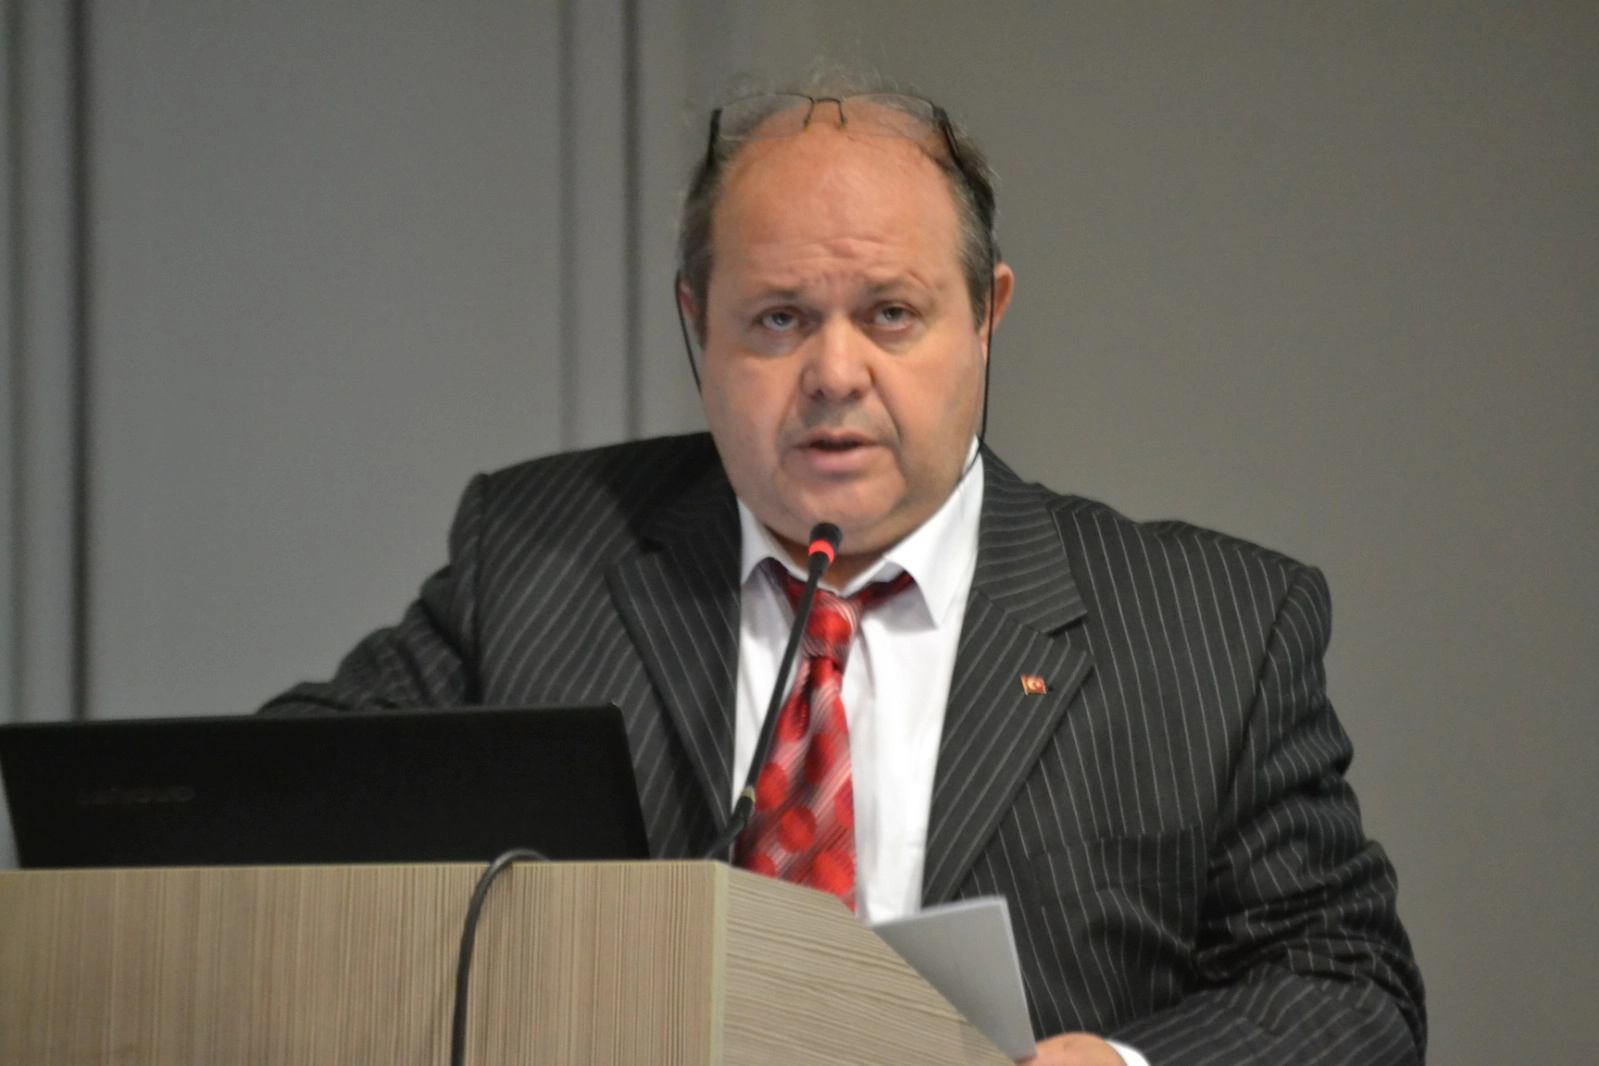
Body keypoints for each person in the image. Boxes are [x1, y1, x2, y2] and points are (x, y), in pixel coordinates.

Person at [265, 82, 1425, 1065]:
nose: (833, 372)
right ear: (697, 324)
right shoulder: (536, 556)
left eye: (891, 314)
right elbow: (271, 809)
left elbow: (1349, 984)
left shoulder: (1209, 626)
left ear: (986, 316)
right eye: (777, 319)